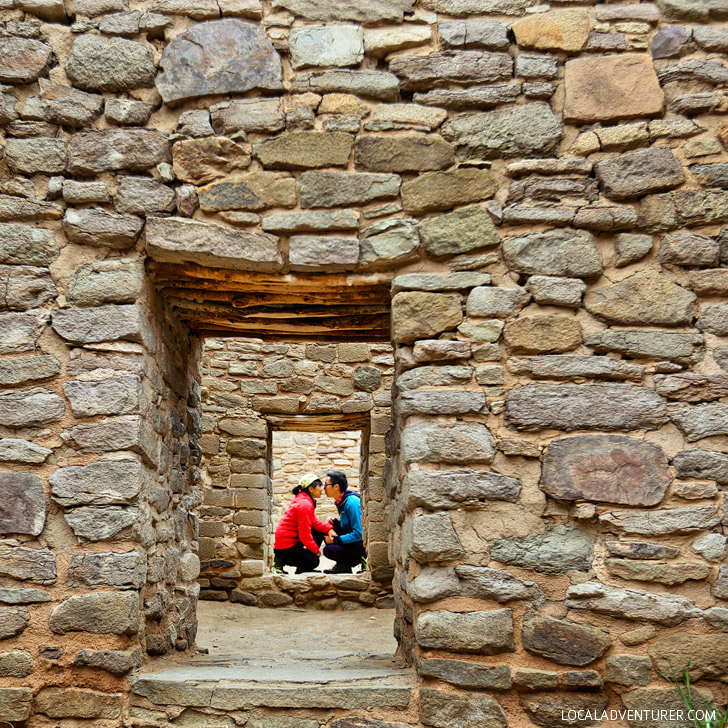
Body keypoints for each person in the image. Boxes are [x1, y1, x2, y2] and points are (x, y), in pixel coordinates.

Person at [273, 473, 334, 574]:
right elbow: (304, 535)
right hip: (285, 547)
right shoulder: (305, 504)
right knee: (314, 561)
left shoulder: (303, 499)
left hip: (285, 544)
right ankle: (283, 561)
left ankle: (296, 565)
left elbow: (314, 522)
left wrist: (329, 529)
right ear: (310, 489)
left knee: (319, 531)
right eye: (319, 486)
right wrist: (315, 550)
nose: (321, 489)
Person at [322, 470, 367, 574]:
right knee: (326, 529)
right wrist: (336, 524)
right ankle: (342, 566)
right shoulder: (341, 502)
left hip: (359, 546)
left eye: (326, 485)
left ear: (336, 486)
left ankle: (347, 564)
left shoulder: (351, 502)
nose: (324, 488)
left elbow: (359, 533)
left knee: (329, 549)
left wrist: (335, 540)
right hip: (353, 543)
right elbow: (348, 526)